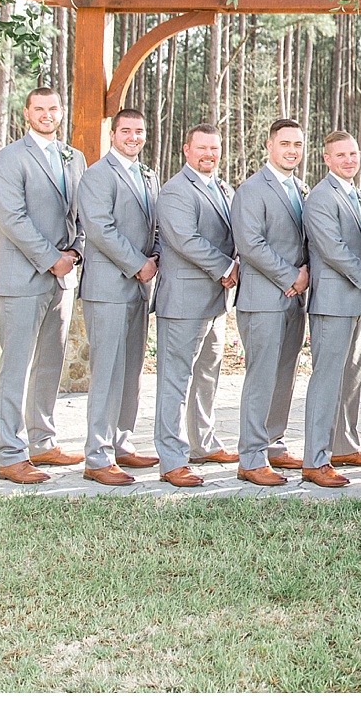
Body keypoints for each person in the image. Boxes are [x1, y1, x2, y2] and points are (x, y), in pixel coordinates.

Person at [0, 85, 87, 484]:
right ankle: (10, 455)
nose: (47, 115)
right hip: (22, 277)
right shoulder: (10, 158)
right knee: (16, 366)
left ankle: (42, 442)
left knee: (49, 363)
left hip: (62, 279)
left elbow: (81, 214)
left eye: (53, 108)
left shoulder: (74, 158)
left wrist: (74, 252)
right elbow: (12, 218)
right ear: (27, 113)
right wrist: (51, 259)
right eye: (39, 108)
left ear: (61, 112)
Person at [75, 108, 161, 486]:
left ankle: (121, 442)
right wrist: (138, 264)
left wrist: (155, 257)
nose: (133, 137)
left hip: (139, 287)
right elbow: (99, 228)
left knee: (131, 370)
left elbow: (156, 225)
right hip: (108, 287)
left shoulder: (148, 176)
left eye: (139, 131)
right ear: (113, 134)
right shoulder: (98, 175)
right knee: (107, 371)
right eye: (126, 131)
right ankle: (97, 456)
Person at [152, 123, 239, 487]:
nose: (209, 154)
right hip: (184, 301)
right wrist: (228, 268)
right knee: (176, 380)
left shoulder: (223, 188)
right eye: (201, 148)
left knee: (207, 375)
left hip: (215, 300)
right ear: (186, 150)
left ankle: (203, 444)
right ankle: (172, 459)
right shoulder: (175, 190)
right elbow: (185, 240)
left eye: (214, 148)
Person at [230, 118, 311, 486]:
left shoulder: (300, 188)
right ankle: (250, 457)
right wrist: (290, 276)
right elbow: (251, 244)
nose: (292, 151)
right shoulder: (251, 190)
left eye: (297, 144)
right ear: (269, 145)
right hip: (263, 298)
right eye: (285, 144)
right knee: (261, 377)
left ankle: (273, 444)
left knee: (284, 375)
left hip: (294, 299)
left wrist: (305, 274)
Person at [298, 131, 361, 488]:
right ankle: (315, 460)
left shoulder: (357, 194)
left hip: (357, 300)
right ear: (326, 159)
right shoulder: (321, 197)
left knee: (352, 376)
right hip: (332, 301)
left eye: (353, 154)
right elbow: (331, 248)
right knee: (327, 380)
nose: (348, 160)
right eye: (340, 155)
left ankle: (344, 445)